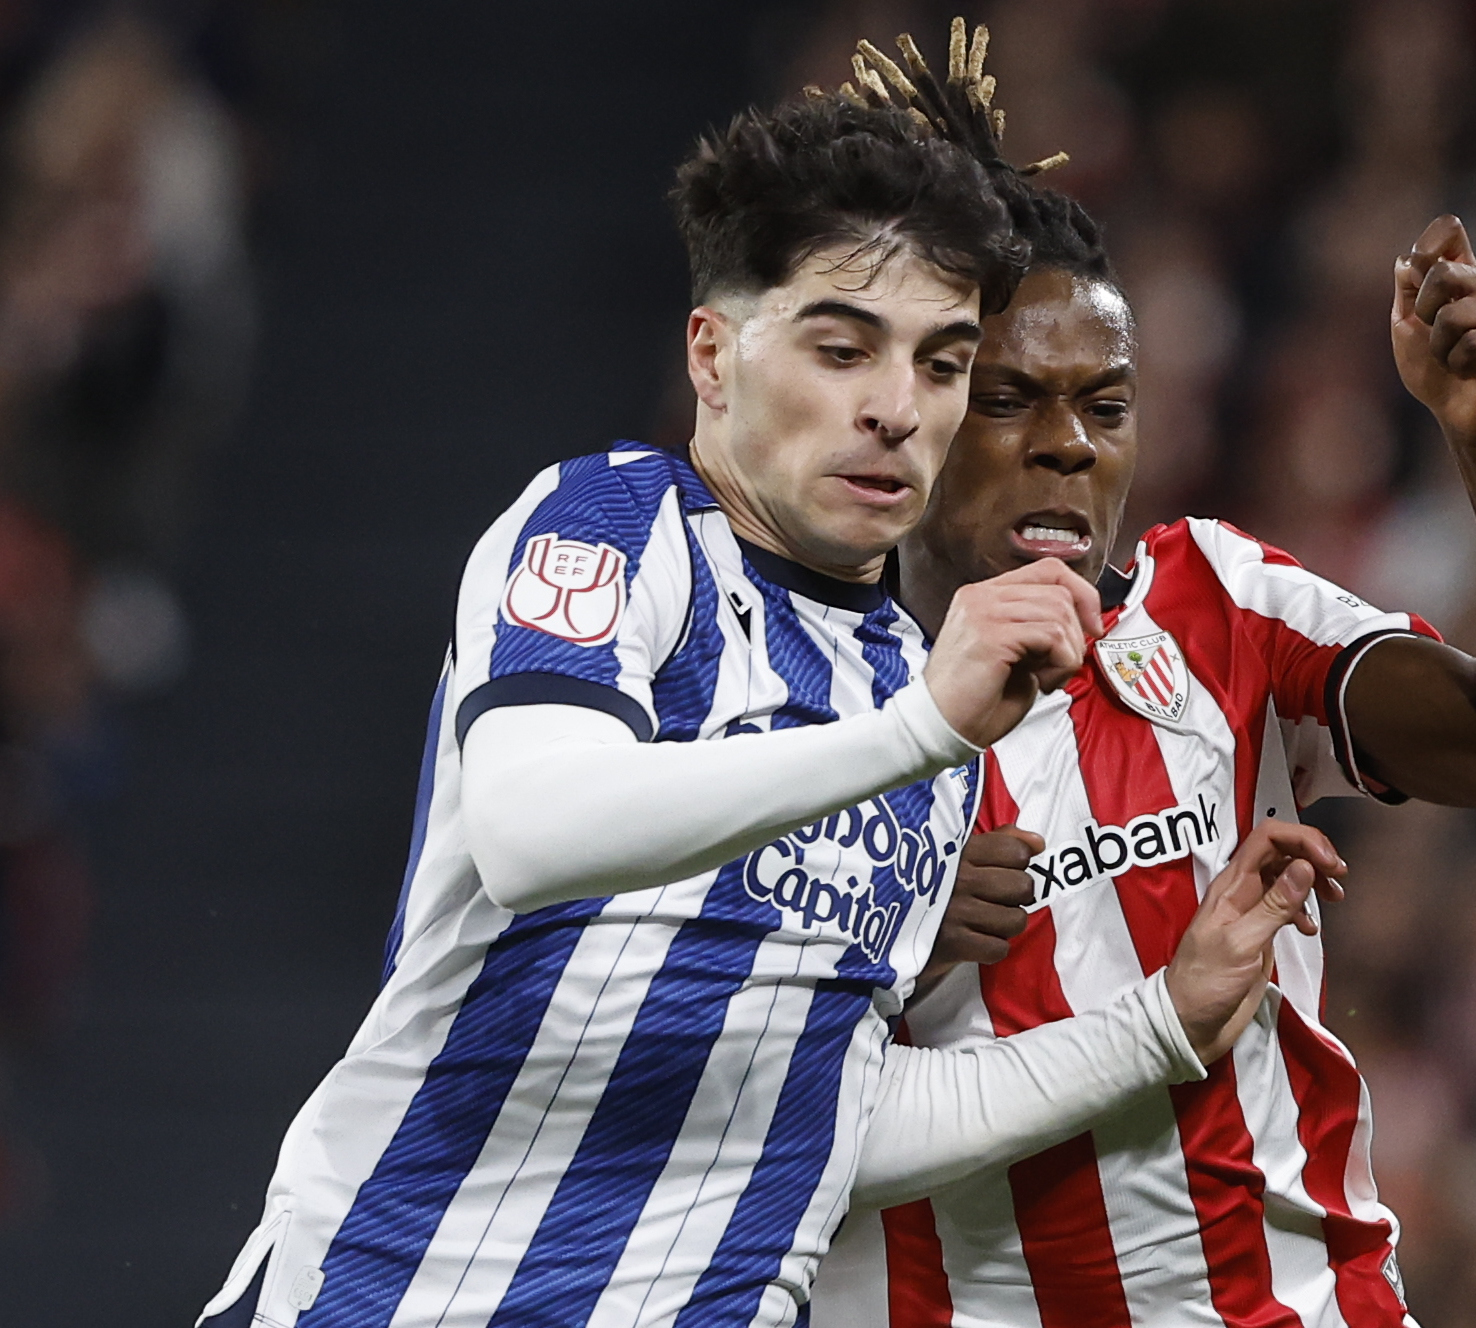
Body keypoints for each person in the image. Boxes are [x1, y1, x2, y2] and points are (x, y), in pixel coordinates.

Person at [197, 91, 1341, 1328]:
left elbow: (826, 1112)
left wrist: (1158, 1019)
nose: (897, 407)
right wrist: (913, 737)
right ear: (712, 354)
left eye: (942, 363)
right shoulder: (614, 527)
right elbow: (535, 830)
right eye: (841, 350)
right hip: (405, 1293)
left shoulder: (921, 691)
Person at [811, 27, 1476, 1328]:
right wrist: (877, 964)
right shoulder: (783, 703)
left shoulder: (1219, 604)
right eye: (1009, 398)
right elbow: (686, 1109)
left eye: (1108, 403)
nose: (1068, 449)